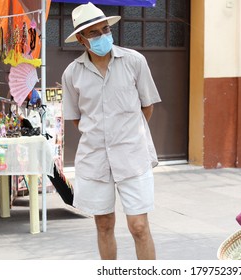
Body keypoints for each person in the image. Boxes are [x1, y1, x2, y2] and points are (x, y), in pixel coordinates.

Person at [62, 2, 161, 260]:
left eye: (105, 29)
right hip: (95, 159)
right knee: (104, 224)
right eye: (94, 33)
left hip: (132, 155)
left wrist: (126, 133)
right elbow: (77, 119)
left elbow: (146, 107)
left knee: (139, 226)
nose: (102, 36)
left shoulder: (134, 61)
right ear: (81, 40)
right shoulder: (72, 73)